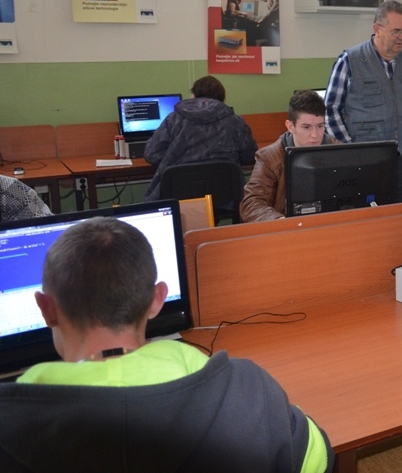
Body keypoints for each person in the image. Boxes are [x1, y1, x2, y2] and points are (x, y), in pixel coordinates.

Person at [0, 216, 333, 472]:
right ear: (158, 299)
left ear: (46, 308)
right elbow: (319, 459)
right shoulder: (249, 389)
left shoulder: (12, 422)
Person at [324, 0, 402, 202]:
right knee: (370, 216)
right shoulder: (350, 60)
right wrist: (349, 152)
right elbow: (331, 110)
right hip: (365, 161)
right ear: (377, 29)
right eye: (396, 31)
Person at [143, 75, 257, 206]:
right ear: (222, 98)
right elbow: (249, 156)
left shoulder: (173, 119)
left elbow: (151, 155)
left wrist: (175, 160)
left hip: (179, 198)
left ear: (194, 95)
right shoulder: (235, 121)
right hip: (225, 199)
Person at [240, 89, 330, 222]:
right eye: (306, 127)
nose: (315, 135)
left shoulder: (338, 150)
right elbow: (251, 204)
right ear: (290, 126)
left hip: (330, 223)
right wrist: (280, 220)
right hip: (287, 224)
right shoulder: (269, 158)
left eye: (320, 126)